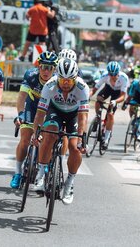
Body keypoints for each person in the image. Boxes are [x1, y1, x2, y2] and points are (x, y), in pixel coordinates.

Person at [32, 58, 89, 205]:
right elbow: (40, 112)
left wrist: (82, 139)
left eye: (69, 81)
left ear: (75, 79)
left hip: (74, 115)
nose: (65, 84)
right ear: (57, 77)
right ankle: (41, 171)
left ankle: (69, 183)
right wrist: (35, 133)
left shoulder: (82, 88)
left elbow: (83, 117)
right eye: (62, 80)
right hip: (55, 111)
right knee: (48, 135)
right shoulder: (50, 85)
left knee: (75, 147)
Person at [10, 51, 58, 189]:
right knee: (25, 139)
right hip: (32, 107)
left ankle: (44, 165)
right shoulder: (30, 76)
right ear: (39, 66)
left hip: (49, 110)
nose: (46, 71)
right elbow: (22, 97)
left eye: (50, 68)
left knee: (46, 139)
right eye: (43, 66)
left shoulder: (56, 81)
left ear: (54, 69)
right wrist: (20, 114)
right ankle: (18, 173)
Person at [89, 61, 129, 149]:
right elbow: (95, 89)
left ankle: (106, 139)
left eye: (115, 75)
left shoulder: (124, 78)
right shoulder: (104, 76)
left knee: (110, 114)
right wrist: (88, 96)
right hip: (108, 88)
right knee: (98, 99)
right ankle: (97, 118)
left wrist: (115, 101)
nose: (113, 77)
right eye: (111, 75)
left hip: (118, 93)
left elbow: (123, 96)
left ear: (118, 73)